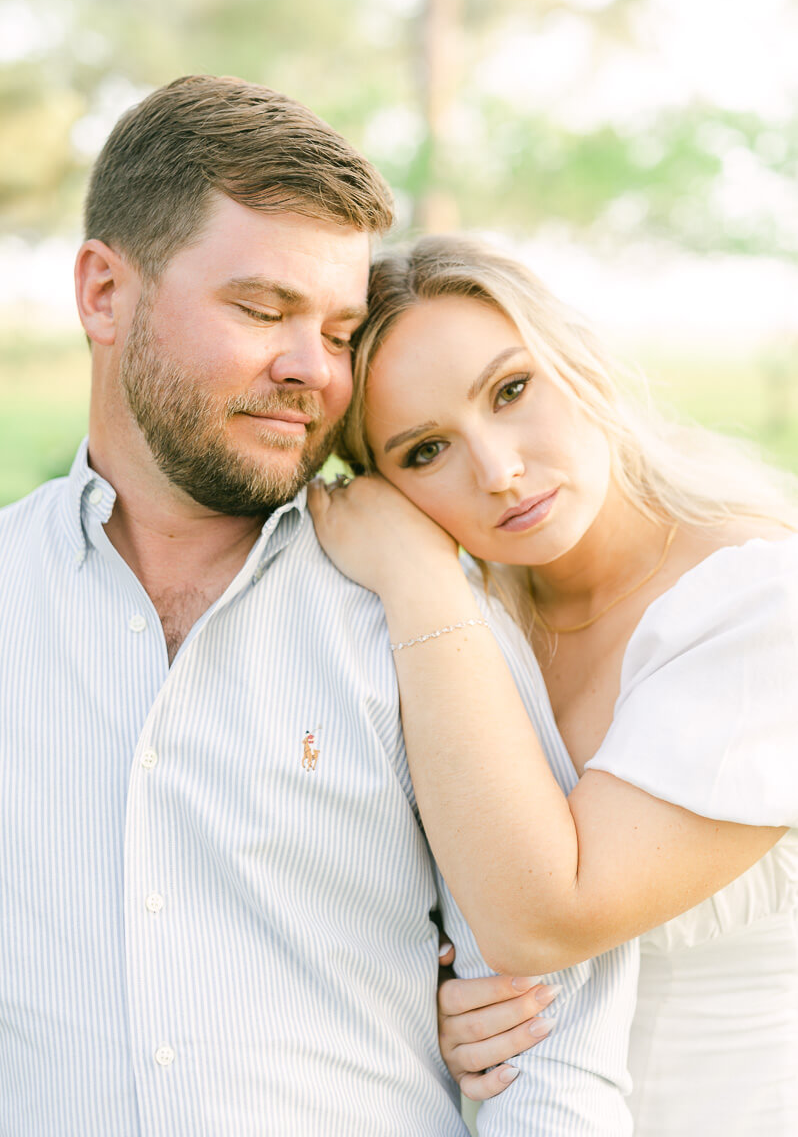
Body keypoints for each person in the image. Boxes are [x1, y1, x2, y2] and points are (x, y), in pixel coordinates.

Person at [0, 78, 639, 1136]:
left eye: (341, 332)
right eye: (262, 311)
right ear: (104, 294)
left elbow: (556, 1052)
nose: (311, 371)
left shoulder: (424, 613)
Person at [309, 233, 798, 1135]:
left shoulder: (762, 608)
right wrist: (454, 1009)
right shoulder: (471, 631)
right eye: (425, 452)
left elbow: (546, 917)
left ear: (574, 359)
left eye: (510, 390)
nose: (499, 472)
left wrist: (414, 575)